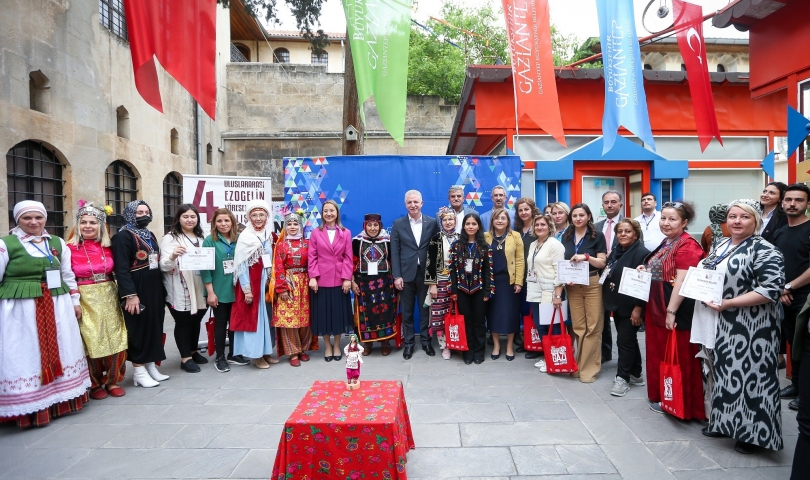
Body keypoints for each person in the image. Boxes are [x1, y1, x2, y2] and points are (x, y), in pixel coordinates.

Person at [696, 199, 784, 454]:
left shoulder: (765, 249)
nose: (736, 221)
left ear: (755, 221)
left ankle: (752, 435)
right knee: (724, 375)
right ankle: (723, 422)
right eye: (732, 216)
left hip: (753, 328)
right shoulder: (722, 244)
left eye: (744, 217)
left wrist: (730, 302)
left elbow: (771, 289)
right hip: (721, 323)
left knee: (752, 379)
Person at [0, 201, 91, 427]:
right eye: (27, 218)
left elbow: (67, 275)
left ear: (45, 219)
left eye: (38, 218)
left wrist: (75, 301)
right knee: (26, 352)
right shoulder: (6, 245)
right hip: (21, 310)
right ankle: (28, 406)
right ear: (17, 220)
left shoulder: (58, 243)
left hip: (57, 304)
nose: (33, 222)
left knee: (62, 346)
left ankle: (60, 400)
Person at [640, 201, 705, 419]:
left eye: (672, 219)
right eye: (663, 218)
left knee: (680, 358)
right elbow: (661, 269)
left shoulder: (687, 245)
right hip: (658, 308)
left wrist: (671, 311)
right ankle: (665, 397)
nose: (666, 223)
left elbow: (683, 281)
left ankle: (684, 404)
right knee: (662, 355)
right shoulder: (668, 242)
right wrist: (645, 267)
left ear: (684, 222)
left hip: (675, 310)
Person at [67, 202, 128, 399]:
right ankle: (93, 383)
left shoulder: (109, 247)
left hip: (109, 293)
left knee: (116, 336)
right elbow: (65, 276)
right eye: (83, 222)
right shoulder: (69, 249)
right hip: (85, 296)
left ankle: (112, 380)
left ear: (100, 225)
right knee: (91, 338)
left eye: (93, 222)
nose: (87, 226)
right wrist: (74, 299)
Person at [112, 200, 168, 388]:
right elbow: (121, 269)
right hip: (137, 286)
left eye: (146, 211)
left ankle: (150, 364)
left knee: (154, 324)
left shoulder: (149, 234)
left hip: (154, 285)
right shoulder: (123, 237)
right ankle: (138, 370)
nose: (144, 215)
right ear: (129, 214)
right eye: (138, 212)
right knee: (139, 327)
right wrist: (130, 294)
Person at [772, 183, 810, 411]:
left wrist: (789, 286)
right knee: (790, 341)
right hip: (783, 295)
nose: (792, 204)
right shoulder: (780, 231)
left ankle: (805, 392)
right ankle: (795, 385)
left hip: (805, 298)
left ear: (807, 204)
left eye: (798, 200)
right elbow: (775, 265)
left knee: (804, 345)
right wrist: (781, 289)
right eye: (789, 200)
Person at [601, 219, 649, 397]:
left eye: (627, 231)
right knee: (628, 340)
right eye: (619, 231)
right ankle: (636, 373)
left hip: (632, 306)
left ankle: (622, 378)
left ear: (635, 234)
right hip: (618, 304)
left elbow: (643, 283)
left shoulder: (642, 253)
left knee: (624, 340)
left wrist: (638, 308)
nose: (623, 234)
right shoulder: (616, 251)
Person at [561, 203, 607, 383]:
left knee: (593, 327)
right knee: (579, 327)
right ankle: (579, 365)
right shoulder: (567, 235)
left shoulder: (597, 235)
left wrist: (586, 257)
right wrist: (566, 277)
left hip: (592, 283)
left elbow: (602, 262)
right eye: (574, 216)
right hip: (573, 286)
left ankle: (590, 369)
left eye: (581, 215)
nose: (578, 218)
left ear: (588, 216)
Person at [391, 190, 439, 359]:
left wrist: (433, 278)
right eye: (410, 202)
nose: (413, 205)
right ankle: (409, 344)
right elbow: (394, 252)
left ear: (422, 203)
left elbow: (435, 251)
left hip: (425, 275)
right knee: (408, 312)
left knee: (425, 311)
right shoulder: (398, 224)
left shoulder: (432, 223)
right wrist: (397, 276)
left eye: (416, 202)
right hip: (406, 275)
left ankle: (426, 342)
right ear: (405, 205)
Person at [160, 204, 208, 373]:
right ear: (178, 218)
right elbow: (163, 265)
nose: (189, 220)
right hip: (180, 286)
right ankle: (185, 357)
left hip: (200, 284)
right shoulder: (171, 238)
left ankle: (193, 351)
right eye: (185, 216)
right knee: (184, 321)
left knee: (196, 319)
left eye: (193, 217)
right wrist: (173, 255)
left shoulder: (202, 238)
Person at [231, 199, 278, 369]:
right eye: (255, 215)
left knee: (267, 320)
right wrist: (247, 290)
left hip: (266, 283)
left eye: (261, 215)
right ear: (249, 217)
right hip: (252, 284)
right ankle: (256, 356)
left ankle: (266, 352)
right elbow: (241, 265)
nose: (258, 218)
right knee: (256, 322)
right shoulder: (246, 237)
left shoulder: (269, 235)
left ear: (267, 216)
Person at [202, 208, 251, 373]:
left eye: (227, 221)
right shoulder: (210, 241)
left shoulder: (239, 239)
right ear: (214, 223)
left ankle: (233, 354)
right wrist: (210, 292)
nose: (223, 224)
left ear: (233, 222)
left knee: (235, 323)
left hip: (237, 289)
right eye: (219, 221)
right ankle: (220, 357)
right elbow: (205, 268)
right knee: (221, 323)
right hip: (219, 289)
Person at [308, 199, 354, 361]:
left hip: (340, 281)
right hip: (321, 281)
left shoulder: (346, 232)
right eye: (325, 211)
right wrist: (313, 277)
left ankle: (337, 346)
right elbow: (312, 256)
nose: (329, 213)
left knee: (338, 315)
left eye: (331, 211)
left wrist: (347, 278)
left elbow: (348, 257)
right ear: (322, 214)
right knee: (324, 315)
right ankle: (327, 346)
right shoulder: (315, 233)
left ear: (337, 213)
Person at [449, 213, 493, 365]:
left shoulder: (484, 247)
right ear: (463, 226)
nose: (470, 226)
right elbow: (452, 270)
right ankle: (468, 351)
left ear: (478, 226)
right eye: (468, 224)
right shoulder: (456, 246)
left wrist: (488, 291)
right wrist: (453, 291)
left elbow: (488, 271)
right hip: (461, 290)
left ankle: (479, 352)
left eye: (473, 224)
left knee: (479, 322)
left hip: (479, 290)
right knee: (466, 322)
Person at [524, 213, 566, 372]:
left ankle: (554, 358)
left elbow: (559, 271)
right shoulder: (534, 244)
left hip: (550, 291)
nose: (539, 227)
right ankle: (547, 355)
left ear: (549, 227)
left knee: (552, 327)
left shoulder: (555, 244)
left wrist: (557, 295)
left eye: (543, 224)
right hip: (535, 290)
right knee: (541, 326)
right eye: (537, 225)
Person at [352, 213, 398, 356]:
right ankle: (367, 344)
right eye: (369, 225)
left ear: (380, 226)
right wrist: (353, 281)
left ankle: (385, 342)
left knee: (385, 312)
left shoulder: (388, 241)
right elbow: (351, 262)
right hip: (363, 284)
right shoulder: (357, 241)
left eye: (375, 225)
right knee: (365, 313)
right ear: (364, 226)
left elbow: (393, 260)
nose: (372, 228)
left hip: (384, 283)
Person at [271, 209, 313, 367]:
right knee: (289, 319)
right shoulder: (280, 245)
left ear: (301, 226)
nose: (293, 227)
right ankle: (293, 351)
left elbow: (313, 264)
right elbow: (278, 267)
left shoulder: (308, 244)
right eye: (290, 224)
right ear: (285, 227)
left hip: (305, 282)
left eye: (296, 223)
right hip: (288, 282)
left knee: (305, 318)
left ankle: (303, 349)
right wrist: (281, 288)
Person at [484, 208, 524, 361]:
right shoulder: (485, 237)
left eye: (503, 218)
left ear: (508, 221)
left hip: (509, 282)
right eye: (496, 218)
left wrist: (519, 282)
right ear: (492, 221)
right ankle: (496, 345)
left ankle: (509, 346)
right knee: (493, 314)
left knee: (510, 315)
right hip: (491, 282)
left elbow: (520, 260)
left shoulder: (515, 236)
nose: (500, 220)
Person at [426, 208, 459, 360]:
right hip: (439, 281)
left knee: (456, 312)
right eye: (445, 220)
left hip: (458, 282)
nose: (448, 222)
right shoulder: (435, 238)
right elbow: (430, 263)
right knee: (439, 314)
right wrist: (432, 284)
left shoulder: (461, 238)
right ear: (441, 222)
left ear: (455, 221)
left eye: (451, 219)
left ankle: (457, 342)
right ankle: (444, 345)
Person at [595, 190, 624, 363]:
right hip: (601, 275)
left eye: (614, 202)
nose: (610, 205)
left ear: (620, 204)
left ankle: (624, 355)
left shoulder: (629, 224)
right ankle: (605, 353)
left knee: (621, 317)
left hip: (620, 275)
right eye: (606, 202)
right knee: (603, 315)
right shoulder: (597, 226)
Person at [514, 198, 541, 355]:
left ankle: (536, 344)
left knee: (534, 311)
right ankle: (527, 341)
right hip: (520, 277)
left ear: (532, 210)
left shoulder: (538, 227)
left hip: (535, 276)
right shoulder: (517, 229)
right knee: (524, 311)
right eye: (520, 210)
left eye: (526, 209)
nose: (523, 212)